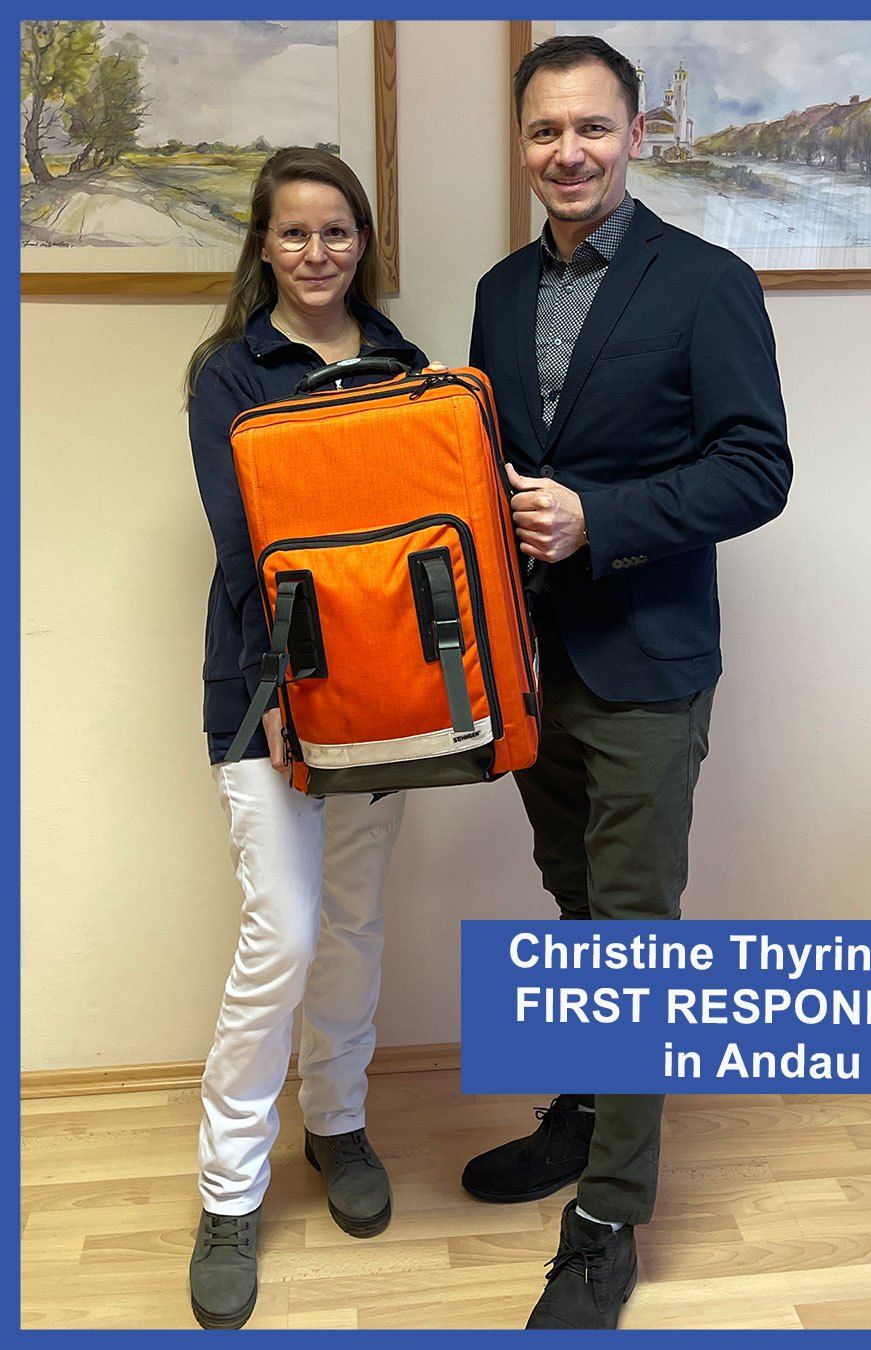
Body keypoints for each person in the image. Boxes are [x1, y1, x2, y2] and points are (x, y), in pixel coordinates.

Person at [462, 36, 792, 1330]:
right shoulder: (496, 292)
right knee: (578, 899)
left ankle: (607, 1214)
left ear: (635, 133)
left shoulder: (708, 283)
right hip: (529, 665)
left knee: (636, 934)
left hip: (650, 660)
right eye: (545, 131)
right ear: (524, 141)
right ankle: (590, 1102)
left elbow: (757, 469)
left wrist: (603, 516)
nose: (568, 152)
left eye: (591, 128)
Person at [184, 147, 428, 1331]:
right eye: (295, 235)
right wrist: (282, 689)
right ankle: (229, 1192)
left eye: (337, 233)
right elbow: (249, 544)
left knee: (352, 924)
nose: (318, 255)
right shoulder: (229, 372)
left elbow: (422, 539)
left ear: (361, 240)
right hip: (265, 694)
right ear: (263, 246)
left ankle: (336, 1125)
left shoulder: (403, 364)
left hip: (388, 701)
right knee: (280, 936)